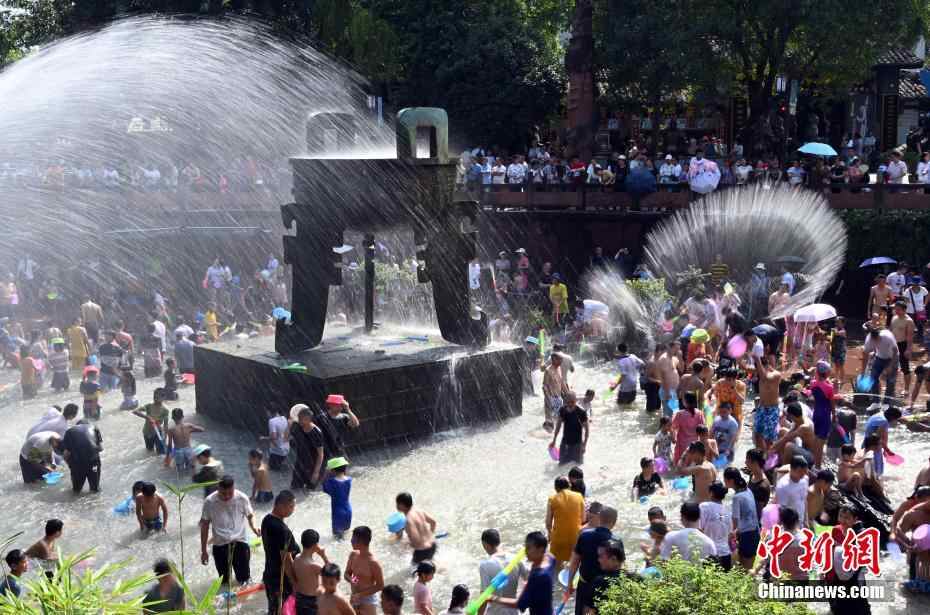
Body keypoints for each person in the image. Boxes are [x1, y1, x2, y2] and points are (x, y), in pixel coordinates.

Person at [200, 476, 260, 588]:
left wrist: (254, 527)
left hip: (240, 543)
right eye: (223, 493)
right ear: (218, 488)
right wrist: (203, 550)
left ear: (234, 488)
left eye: (230, 493)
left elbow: (250, 515)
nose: (227, 496)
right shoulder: (209, 502)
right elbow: (204, 526)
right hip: (220, 545)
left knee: (245, 580)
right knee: (224, 581)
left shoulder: (242, 498)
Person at [566, 506, 618, 615]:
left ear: (599, 518)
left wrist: (569, 583)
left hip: (585, 585)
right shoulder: (616, 541)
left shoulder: (585, 535)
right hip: (605, 589)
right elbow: (618, 568)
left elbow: (574, 561)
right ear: (614, 522)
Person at [488, 532, 554, 615]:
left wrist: (494, 598)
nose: (525, 552)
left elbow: (520, 604)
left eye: (529, 548)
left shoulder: (538, 576)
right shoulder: (550, 558)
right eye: (525, 547)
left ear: (540, 549)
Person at [262, 490, 301, 614]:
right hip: (281, 580)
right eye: (291, 506)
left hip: (270, 574)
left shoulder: (266, 520)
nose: (293, 510)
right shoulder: (281, 530)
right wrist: (295, 583)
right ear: (280, 505)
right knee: (283, 610)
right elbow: (286, 560)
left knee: (274, 610)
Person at [477, 529, 525, 615]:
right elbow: (531, 581)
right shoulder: (516, 559)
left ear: (485, 545)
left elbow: (484, 597)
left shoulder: (485, 565)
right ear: (499, 541)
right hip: (513, 612)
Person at [722, 467, 758, 570]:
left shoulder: (736, 497)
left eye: (725, 479)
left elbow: (735, 520)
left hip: (746, 535)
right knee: (748, 568)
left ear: (731, 481)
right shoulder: (748, 490)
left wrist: (732, 536)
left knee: (743, 569)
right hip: (755, 532)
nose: (724, 482)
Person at [545, 476, 585, 568]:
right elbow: (583, 519)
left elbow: (548, 522)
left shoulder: (552, 499)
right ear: (569, 486)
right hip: (575, 538)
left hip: (558, 539)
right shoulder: (579, 496)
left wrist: (550, 534)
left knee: (557, 567)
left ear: (556, 488)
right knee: (575, 565)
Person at [345, 526, 384, 615]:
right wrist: (352, 580)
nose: (351, 541)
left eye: (353, 539)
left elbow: (380, 585)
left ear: (361, 541)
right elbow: (346, 573)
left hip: (368, 599)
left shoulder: (373, 563)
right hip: (354, 595)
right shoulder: (353, 555)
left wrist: (360, 595)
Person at [60, 418, 103, 494]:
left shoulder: (69, 431)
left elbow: (66, 453)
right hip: (94, 462)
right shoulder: (94, 428)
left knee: (76, 490)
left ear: (77, 425)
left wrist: (69, 465)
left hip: (78, 464)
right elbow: (100, 449)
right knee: (95, 489)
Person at [293, 529, 328, 615]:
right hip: (312, 601)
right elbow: (333, 573)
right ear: (315, 545)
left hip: (300, 598)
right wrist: (323, 555)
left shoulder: (296, 558)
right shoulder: (314, 566)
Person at [395, 492, 438, 564]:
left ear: (402, 505)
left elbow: (415, 538)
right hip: (433, 544)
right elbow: (433, 522)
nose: (396, 506)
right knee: (430, 565)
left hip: (422, 551)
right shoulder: (419, 511)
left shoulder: (408, 520)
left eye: (397, 503)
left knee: (413, 569)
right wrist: (430, 535)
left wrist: (406, 545)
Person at [752, 353, 782, 453]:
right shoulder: (761, 372)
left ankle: (768, 457)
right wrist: (739, 359)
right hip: (761, 408)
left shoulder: (776, 374)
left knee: (769, 439)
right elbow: (746, 368)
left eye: (760, 367)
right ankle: (759, 456)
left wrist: (757, 360)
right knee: (757, 434)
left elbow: (765, 378)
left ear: (766, 365)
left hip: (772, 410)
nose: (758, 371)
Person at [290, 405, 325, 490]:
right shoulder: (298, 427)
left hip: (312, 465)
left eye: (300, 419)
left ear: (308, 419)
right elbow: (286, 438)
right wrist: (289, 424)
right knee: (295, 488)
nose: (298, 421)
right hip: (300, 463)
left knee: (310, 490)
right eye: (298, 418)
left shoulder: (316, 432)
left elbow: (320, 454)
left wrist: (316, 472)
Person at [549, 392, 588, 465]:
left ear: (576, 400)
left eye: (572, 402)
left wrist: (584, 445)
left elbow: (587, 431)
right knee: (561, 465)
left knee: (578, 466)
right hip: (565, 443)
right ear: (565, 401)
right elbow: (558, 426)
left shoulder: (581, 412)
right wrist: (554, 440)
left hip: (577, 444)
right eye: (568, 402)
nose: (570, 404)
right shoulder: (562, 410)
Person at [863, 406, 902, 478]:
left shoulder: (880, 415)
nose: (896, 421)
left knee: (868, 464)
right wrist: (887, 450)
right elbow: (878, 437)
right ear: (892, 417)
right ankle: (875, 479)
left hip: (867, 441)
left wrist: (885, 448)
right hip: (873, 445)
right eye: (896, 419)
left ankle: (870, 477)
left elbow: (883, 434)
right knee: (876, 467)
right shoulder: (883, 421)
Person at [670, 391, 705, 466]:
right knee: (693, 465)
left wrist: (673, 438)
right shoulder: (699, 413)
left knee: (681, 465)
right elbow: (703, 428)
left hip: (682, 444)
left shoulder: (680, 414)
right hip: (695, 444)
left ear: (685, 402)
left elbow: (673, 427)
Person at [776, 456, 811, 527]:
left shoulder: (805, 479)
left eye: (805, 471)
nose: (803, 474)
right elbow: (781, 510)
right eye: (800, 471)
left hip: (801, 522)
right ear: (792, 469)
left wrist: (806, 520)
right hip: (789, 525)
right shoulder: (783, 486)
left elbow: (804, 500)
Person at [322, 457, 353, 538]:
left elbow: (325, 488)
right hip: (348, 510)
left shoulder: (332, 482)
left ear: (332, 471)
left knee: (337, 537)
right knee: (345, 533)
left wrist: (325, 473)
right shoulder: (349, 480)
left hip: (338, 513)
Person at [890, 300, 915, 396]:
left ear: (904, 310)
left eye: (898, 309)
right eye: (895, 309)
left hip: (903, 345)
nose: (896, 311)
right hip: (893, 344)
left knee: (905, 368)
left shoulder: (909, 321)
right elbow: (890, 331)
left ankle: (906, 389)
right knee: (892, 367)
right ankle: (891, 388)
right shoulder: (894, 317)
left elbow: (910, 337)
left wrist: (908, 349)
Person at [134, 389, 169, 454]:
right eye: (154, 397)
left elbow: (166, 425)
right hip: (147, 432)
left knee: (161, 453)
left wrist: (165, 437)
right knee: (149, 451)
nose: (155, 398)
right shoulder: (149, 406)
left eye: (157, 397)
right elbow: (135, 411)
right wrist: (148, 417)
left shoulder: (165, 410)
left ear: (163, 398)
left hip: (158, 432)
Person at [542, 354, 569, 431]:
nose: (561, 361)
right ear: (554, 359)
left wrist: (568, 394)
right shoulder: (548, 371)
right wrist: (548, 399)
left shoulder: (559, 368)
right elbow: (544, 386)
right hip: (550, 398)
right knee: (550, 421)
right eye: (559, 359)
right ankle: (547, 433)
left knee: (559, 420)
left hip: (559, 398)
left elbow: (562, 382)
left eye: (561, 359)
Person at [261, 406, 291, 471]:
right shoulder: (284, 418)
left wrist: (264, 438)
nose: (267, 414)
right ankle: (281, 465)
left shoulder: (272, 421)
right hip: (286, 450)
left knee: (269, 469)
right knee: (276, 467)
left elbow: (274, 437)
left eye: (267, 412)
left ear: (269, 412)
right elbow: (288, 435)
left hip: (277, 451)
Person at [656, 341, 681, 416]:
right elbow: (664, 376)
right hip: (667, 390)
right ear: (669, 347)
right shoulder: (664, 358)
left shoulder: (674, 358)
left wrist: (680, 357)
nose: (677, 351)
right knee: (668, 415)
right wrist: (667, 392)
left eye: (678, 349)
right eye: (675, 349)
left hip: (673, 390)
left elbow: (681, 369)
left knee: (674, 414)